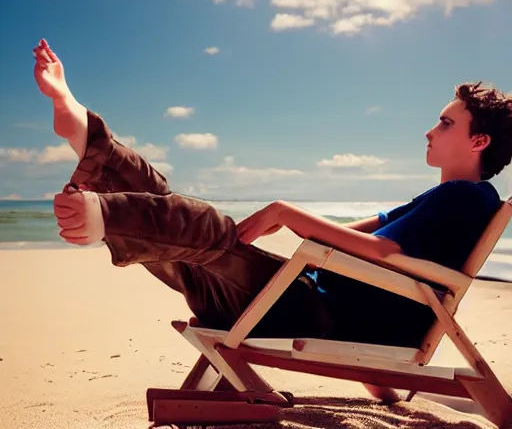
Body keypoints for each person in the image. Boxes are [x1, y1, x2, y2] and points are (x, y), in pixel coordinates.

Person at [33, 39, 512, 347]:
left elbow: (381, 252)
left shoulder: (467, 198)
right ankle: (85, 133)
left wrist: (284, 212)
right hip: (292, 298)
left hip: (309, 312)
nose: (430, 131)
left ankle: (104, 214)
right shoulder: (437, 200)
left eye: (446, 123)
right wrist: (271, 245)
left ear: (479, 141)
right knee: (184, 220)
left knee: (205, 230)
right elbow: (350, 237)